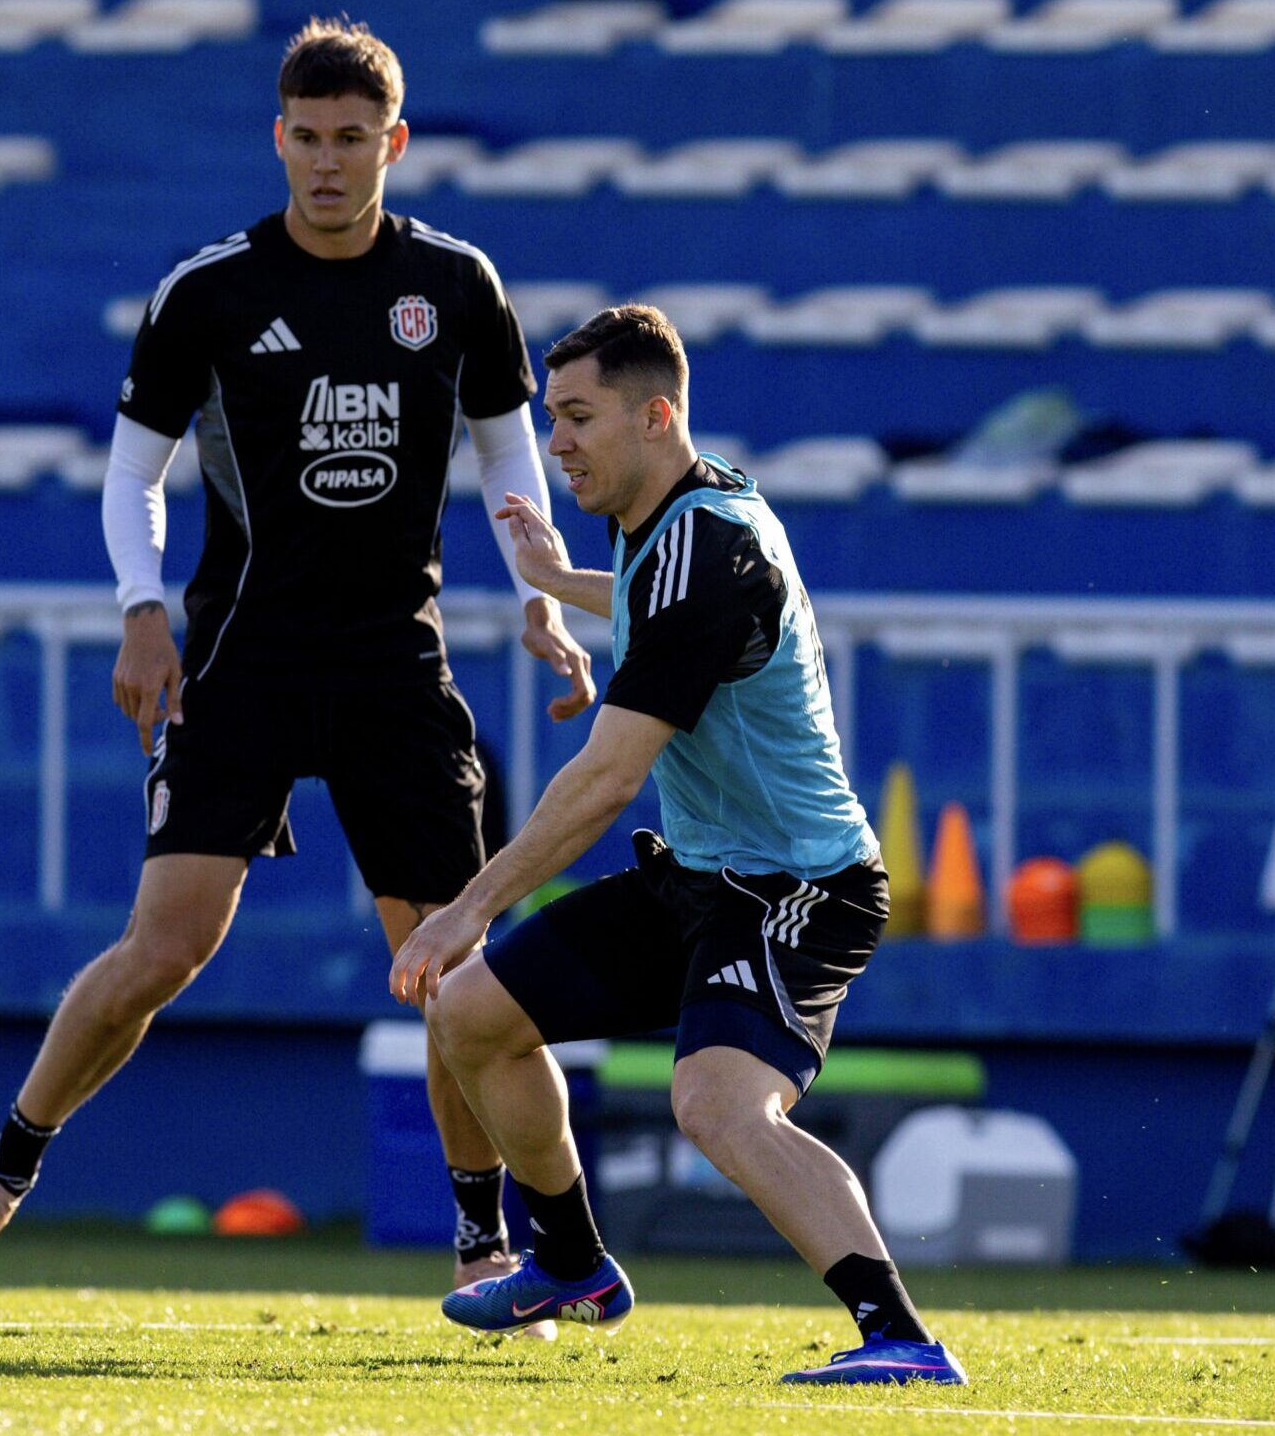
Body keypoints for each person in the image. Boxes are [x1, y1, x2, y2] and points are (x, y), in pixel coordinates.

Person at [0, 19, 597, 1321]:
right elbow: (131, 471)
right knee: (166, 947)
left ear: (392, 145)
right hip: (242, 658)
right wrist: (138, 609)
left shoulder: (454, 286)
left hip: (398, 665)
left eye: (354, 140)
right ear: (277, 136)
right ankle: (6, 1164)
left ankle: (476, 1239)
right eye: (308, 137)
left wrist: (543, 594)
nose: (329, 163)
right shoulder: (210, 292)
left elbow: (511, 455)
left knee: (448, 965)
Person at [389, 304, 968, 1385]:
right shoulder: (666, 509)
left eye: (574, 417)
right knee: (469, 1014)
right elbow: (659, 613)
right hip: (703, 878)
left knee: (713, 1103)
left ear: (655, 416)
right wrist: (560, 583)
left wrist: (468, 906)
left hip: (802, 889)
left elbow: (606, 779)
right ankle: (568, 1263)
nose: (553, 442)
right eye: (549, 418)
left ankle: (898, 1338)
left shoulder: (705, 548)